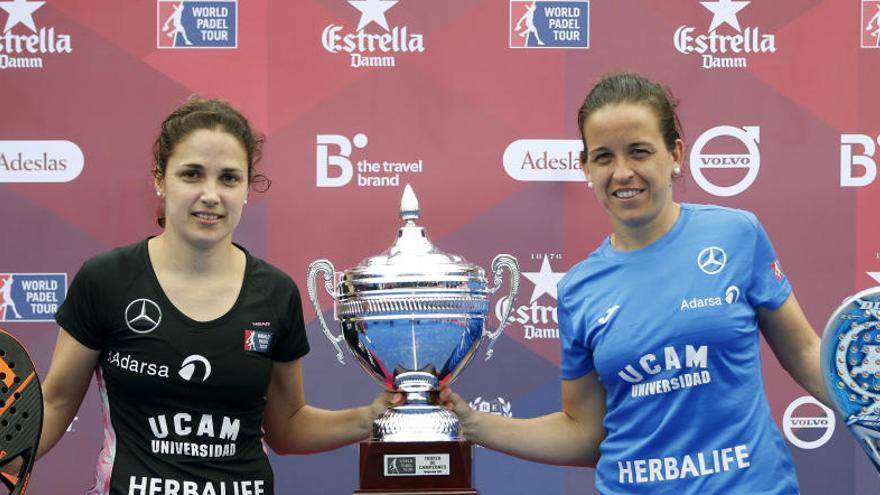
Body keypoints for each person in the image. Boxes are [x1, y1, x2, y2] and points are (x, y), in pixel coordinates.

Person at [440, 73, 829, 494]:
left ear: (675, 154)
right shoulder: (578, 289)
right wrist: (474, 424)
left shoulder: (736, 234)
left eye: (639, 152)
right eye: (604, 156)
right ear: (586, 167)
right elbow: (585, 432)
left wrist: (870, 404)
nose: (623, 172)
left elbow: (807, 353)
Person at [36, 98, 398, 495]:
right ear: (161, 179)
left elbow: (287, 426)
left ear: (246, 188)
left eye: (229, 178)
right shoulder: (106, 279)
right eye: (192, 175)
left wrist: (376, 417)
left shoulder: (275, 293)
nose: (211, 194)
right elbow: (53, 405)